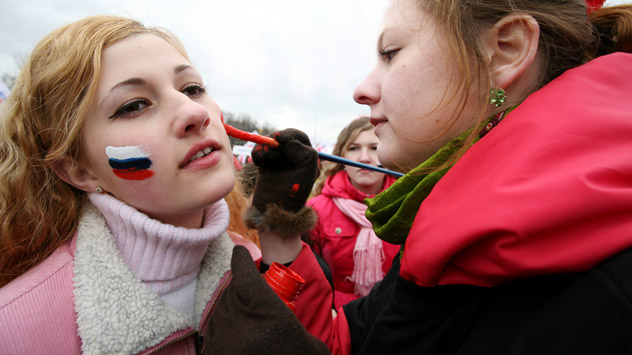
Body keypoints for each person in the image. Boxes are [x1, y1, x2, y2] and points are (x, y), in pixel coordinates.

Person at [244, 0, 632, 353]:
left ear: (504, 51)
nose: (362, 90)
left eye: (391, 54)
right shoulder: (447, 235)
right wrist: (280, 231)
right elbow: (348, 342)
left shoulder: (608, 291)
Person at [0, 15, 331, 354]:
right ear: (80, 172)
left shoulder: (251, 260)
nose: (193, 112)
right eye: (134, 105)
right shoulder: (14, 329)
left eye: (192, 88)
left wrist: (278, 233)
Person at [306, 117, 399, 308]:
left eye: (374, 148)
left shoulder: (408, 203)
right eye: (354, 148)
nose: (364, 158)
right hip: (337, 317)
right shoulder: (316, 209)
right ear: (341, 156)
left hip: (396, 317)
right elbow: (309, 277)